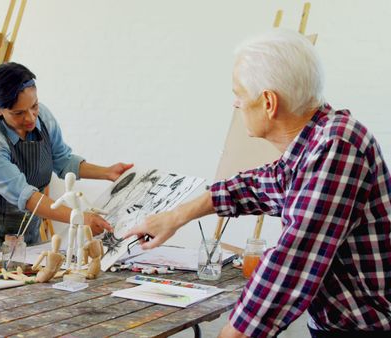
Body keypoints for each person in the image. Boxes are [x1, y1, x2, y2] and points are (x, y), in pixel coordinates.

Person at [126, 29, 391, 338]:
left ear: (268, 102)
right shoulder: (316, 142)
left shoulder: (337, 144)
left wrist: (232, 334)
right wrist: (175, 217)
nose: (235, 104)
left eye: (238, 93)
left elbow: (293, 261)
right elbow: (256, 186)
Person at [0, 62, 132, 255]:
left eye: (34, 106)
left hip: (25, 223)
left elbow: (63, 160)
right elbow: (27, 197)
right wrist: (79, 217)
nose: (30, 118)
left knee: (30, 279)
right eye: (18, 113)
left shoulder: (43, 117)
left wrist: (107, 172)